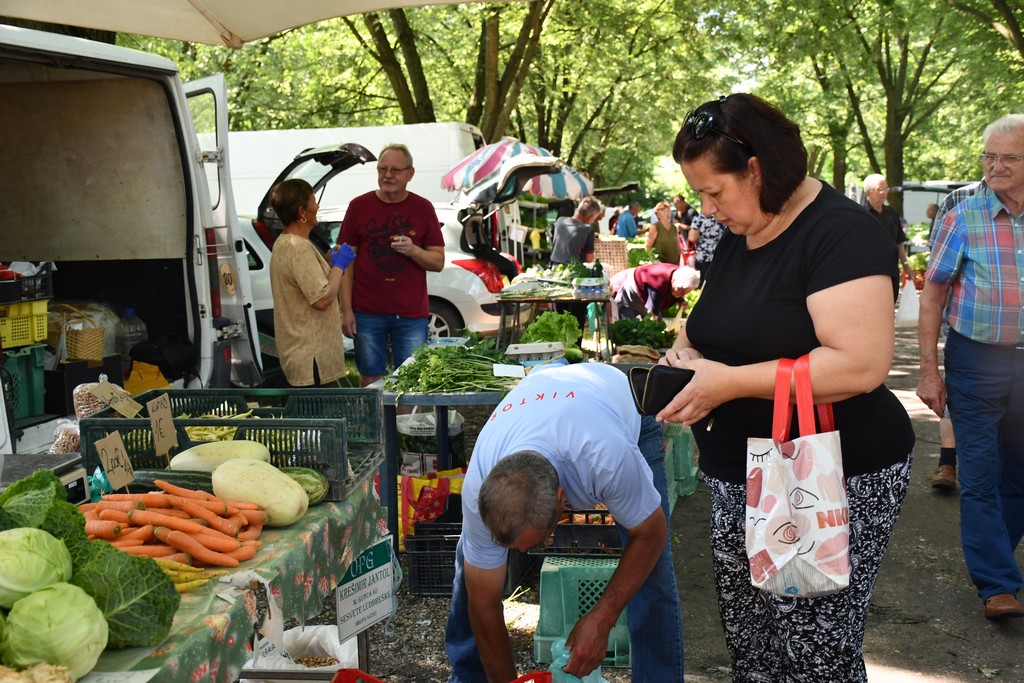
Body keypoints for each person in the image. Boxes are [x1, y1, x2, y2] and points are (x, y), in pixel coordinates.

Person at [661, 93, 915, 680]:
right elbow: (715, 323)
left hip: (825, 477)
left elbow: (859, 366)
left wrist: (729, 383)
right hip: (743, 474)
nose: (707, 209)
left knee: (815, 656)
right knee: (755, 650)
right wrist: (687, 351)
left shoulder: (841, 235)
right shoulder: (742, 229)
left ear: (756, 170)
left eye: (714, 192)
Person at [444, 363, 684, 683]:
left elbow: (651, 535)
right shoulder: (479, 484)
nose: (521, 553)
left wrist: (602, 618)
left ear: (561, 501)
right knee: (473, 574)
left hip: (622, 409)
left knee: (653, 572)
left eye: (531, 543)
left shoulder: (606, 456)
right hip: (548, 402)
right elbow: (484, 604)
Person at [916, 114, 1024, 620]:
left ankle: (996, 554)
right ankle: (997, 584)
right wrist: (928, 371)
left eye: (1009, 158)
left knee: (1018, 471)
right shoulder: (963, 216)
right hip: (976, 360)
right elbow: (933, 295)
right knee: (979, 474)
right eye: (989, 156)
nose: (995, 166)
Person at [337, 144, 445, 387]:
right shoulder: (358, 206)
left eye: (396, 170)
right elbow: (345, 261)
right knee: (369, 376)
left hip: (411, 313)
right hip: (366, 311)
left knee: (410, 379)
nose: (388, 175)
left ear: (410, 173)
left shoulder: (423, 208)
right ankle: (375, 414)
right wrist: (347, 310)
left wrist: (413, 250)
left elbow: (438, 261)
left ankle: (403, 415)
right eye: (382, 169)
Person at [924, 180, 984, 490]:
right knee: (958, 391)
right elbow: (938, 260)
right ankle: (947, 462)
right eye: (991, 157)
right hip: (963, 319)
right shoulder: (959, 199)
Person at [267, 179, 355, 387]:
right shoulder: (298, 247)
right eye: (314, 202)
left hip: (300, 351)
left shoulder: (285, 242)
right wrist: (339, 266)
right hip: (311, 356)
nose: (318, 206)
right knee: (315, 408)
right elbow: (321, 300)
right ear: (302, 212)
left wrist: (328, 264)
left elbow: (306, 285)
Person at [863, 173, 914, 280]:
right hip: (868, 270)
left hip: (891, 268)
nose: (884, 192)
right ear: (868, 192)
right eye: (880, 189)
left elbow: (899, 242)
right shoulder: (861, 215)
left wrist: (906, 265)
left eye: (886, 189)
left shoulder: (892, 214)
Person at [610, 262, 698, 321]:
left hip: (645, 291)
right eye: (682, 291)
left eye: (685, 292)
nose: (682, 294)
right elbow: (652, 315)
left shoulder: (680, 274)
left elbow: (676, 291)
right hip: (629, 288)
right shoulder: (658, 286)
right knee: (627, 325)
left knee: (658, 325)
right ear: (673, 281)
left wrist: (681, 300)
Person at [548, 196, 602, 266]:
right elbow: (589, 260)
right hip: (573, 269)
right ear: (590, 217)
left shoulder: (560, 221)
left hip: (554, 267)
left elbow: (569, 237)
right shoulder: (588, 229)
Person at [688, 212, 727, 287]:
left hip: (704, 255)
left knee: (705, 283)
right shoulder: (724, 216)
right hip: (721, 254)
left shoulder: (699, 218)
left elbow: (692, 238)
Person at [645, 200, 681, 265]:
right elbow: (648, 246)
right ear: (658, 214)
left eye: (668, 211)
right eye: (664, 211)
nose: (667, 213)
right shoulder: (655, 227)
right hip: (661, 264)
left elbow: (678, 246)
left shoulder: (674, 228)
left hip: (674, 263)